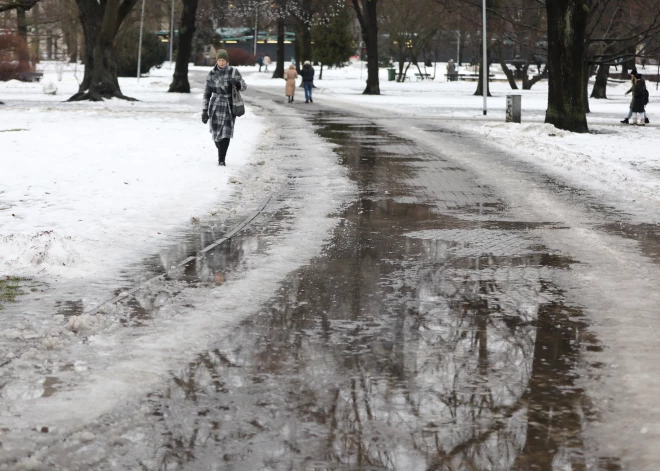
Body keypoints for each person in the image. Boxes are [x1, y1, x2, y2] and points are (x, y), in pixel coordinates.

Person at [202, 49, 247, 166]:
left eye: (224, 60)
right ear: (217, 60)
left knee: (226, 133)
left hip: (229, 105)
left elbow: (244, 86)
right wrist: (204, 110)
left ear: (227, 61)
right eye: (219, 60)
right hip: (215, 105)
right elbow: (206, 93)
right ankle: (220, 150)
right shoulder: (211, 74)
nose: (221, 62)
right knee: (216, 134)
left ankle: (221, 159)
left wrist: (237, 84)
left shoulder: (233, 72)